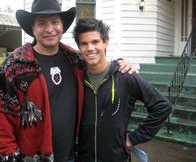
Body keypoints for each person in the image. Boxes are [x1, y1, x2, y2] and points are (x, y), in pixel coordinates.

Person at [0, 0, 135, 162]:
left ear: (62, 25)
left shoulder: (76, 61)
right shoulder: (14, 69)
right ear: (33, 28)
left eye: (55, 22)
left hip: (74, 156)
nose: (50, 29)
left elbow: (99, 64)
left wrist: (120, 64)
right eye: (42, 23)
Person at [73, 18, 172, 162]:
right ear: (79, 47)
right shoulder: (77, 78)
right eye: (84, 43)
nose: (90, 48)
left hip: (116, 157)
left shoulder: (125, 76)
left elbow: (163, 106)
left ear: (105, 42)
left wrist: (133, 138)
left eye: (95, 42)